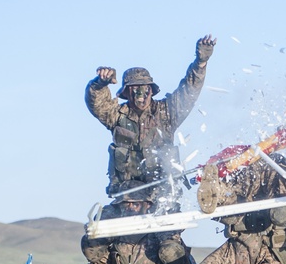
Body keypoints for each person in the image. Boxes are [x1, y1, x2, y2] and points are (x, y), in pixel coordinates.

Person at [86, 35, 216, 196]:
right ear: (126, 91)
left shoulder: (167, 112)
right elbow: (96, 103)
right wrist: (99, 83)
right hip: (126, 197)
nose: (140, 92)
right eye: (134, 87)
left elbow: (189, 90)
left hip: (163, 195)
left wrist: (200, 63)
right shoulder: (116, 116)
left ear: (151, 90)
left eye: (144, 86)